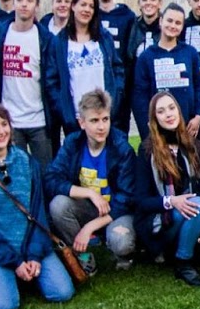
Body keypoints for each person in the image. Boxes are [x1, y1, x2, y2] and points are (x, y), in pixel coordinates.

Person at [0, 101, 75, 309]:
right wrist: (15, 261)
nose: (1, 131)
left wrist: (33, 255)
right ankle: (11, 274)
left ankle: (28, 272)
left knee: (63, 292)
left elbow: (38, 212)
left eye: (4, 124)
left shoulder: (28, 162)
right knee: (4, 307)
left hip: (31, 245)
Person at [137, 92, 200, 286]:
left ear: (179, 112)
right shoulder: (147, 150)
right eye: (161, 111)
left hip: (193, 212)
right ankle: (183, 263)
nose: (168, 114)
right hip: (162, 220)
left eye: (171, 108)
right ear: (154, 119)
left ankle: (180, 246)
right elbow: (140, 201)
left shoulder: (193, 145)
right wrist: (171, 202)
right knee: (199, 206)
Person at [46, 89, 139, 275]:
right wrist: (89, 193)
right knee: (58, 205)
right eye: (94, 121)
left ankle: (122, 254)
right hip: (88, 207)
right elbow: (50, 179)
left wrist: (89, 227)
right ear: (82, 123)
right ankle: (84, 255)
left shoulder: (122, 149)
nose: (101, 127)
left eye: (105, 119)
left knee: (121, 241)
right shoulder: (73, 143)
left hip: (116, 211)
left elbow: (127, 199)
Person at [0, 0, 61, 164]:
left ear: (37, 6)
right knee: (16, 175)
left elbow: (51, 78)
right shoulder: (1, 32)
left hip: (39, 120)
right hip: (10, 120)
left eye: (29, 0)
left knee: (44, 174)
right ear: (13, 3)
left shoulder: (45, 38)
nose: (24, 4)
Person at [50, 0, 125, 133]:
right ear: (73, 6)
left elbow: (117, 69)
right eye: (83, 5)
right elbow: (52, 81)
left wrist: (114, 99)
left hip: (103, 116)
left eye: (91, 6)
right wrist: (66, 113)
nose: (87, 10)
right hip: (76, 119)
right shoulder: (60, 42)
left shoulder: (103, 38)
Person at [131, 3, 200, 142]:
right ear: (161, 21)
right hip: (159, 129)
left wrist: (198, 116)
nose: (173, 25)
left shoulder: (190, 53)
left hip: (188, 127)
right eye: (169, 20)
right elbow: (139, 95)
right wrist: (147, 126)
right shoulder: (146, 57)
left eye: (178, 23)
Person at [94, 0, 137, 129]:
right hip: (96, 81)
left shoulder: (127, 16)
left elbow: (130, 51)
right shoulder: (91, 14)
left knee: (119, 133)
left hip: (119, 85)